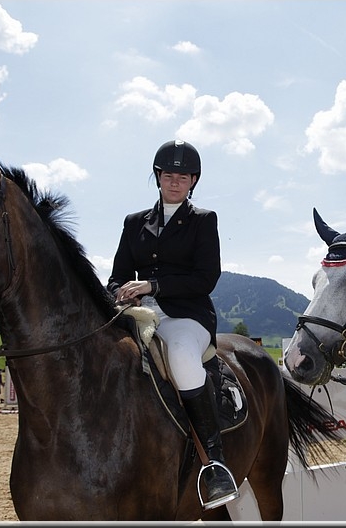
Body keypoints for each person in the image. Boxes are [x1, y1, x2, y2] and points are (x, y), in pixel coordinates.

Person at [106, 139, 238, 509]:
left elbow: (205, 278)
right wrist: (121, 293)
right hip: (138, 313)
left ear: (193, 181)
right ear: (158, 177)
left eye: (183, 176)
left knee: (180, 354)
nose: (175, 181)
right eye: (168, 175)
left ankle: (214, 462)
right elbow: (116, 277)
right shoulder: (134, 223)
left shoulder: (203, 220)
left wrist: (153, 285)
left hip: (186, 316)